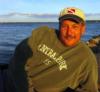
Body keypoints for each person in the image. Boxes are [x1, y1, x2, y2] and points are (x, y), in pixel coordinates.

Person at [6, 7, 98, 92]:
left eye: (75, 27)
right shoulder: (43, 34)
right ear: (59, 26)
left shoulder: (86, 58)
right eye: (64, 26)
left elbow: (90, 89)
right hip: (10, 82)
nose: (69, 32)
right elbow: (18, 59)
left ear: (83, 29)